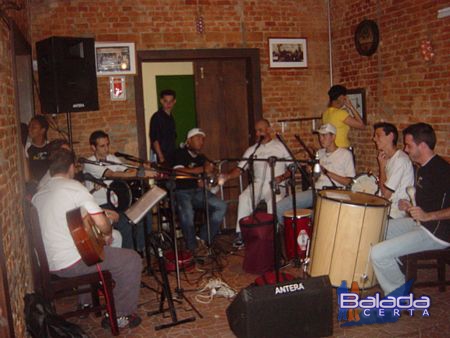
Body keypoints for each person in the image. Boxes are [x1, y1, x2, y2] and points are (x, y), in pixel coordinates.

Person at [32, 148, 142, 329]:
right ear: (71, 168)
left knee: (91, 249)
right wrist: (106, 232)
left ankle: (86, 302)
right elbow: (102, 224)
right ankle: (121, 315)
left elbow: (71, 220)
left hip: (48, 263)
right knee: (131, 260)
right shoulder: (74, 187)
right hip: (72, 263)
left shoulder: (40, 193)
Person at [371, 123, 450, 295]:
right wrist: (409, 206)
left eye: (409, 145)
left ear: (422, 146)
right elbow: (426, 204)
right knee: (374, 230)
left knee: (377, 253)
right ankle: (394, 275)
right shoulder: (422, 169)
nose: (405, 150)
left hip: (437, 233)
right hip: (421, 224)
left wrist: (429, 216)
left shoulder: (443, 171)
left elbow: (432, 212)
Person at [219, 119, 291, 247]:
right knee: (244, 197)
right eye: (256, 131)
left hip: (276, 184)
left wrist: (281, 177)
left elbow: (292, 168)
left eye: (260, 130)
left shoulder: (281, 147)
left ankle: (271, 235)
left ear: (268, 130)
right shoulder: (252, 149)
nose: (257, 134)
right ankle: (241, 234)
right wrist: (227, 176)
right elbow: (240, 168)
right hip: (258, 184)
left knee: (274, 200)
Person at [83, 130, 155, 251]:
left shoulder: (112, 158)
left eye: (107, 144)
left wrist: (141, 171)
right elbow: (112, 174)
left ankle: (142, 250)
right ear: (93, 147)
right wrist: (140, 173)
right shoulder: (89, 163)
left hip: (118, 201)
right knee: (125, 222)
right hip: (102, 204)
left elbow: (127, 171)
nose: (106, 149)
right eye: (102, 146)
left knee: (143, 213)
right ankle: (128, 256)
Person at [276, 123, 355, 226]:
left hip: (334, 193)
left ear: (333, 137)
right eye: (320, 136)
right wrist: (311, 172)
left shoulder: (345, 154)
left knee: (318, 217)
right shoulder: (319, 153)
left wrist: (327, 172)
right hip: (315, 191)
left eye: (324, 135)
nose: (320, 139)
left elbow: (349, 182)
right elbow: (315, 178)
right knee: (280, 206)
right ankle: (289, 234)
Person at [173, 128, 227, 256]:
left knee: (221, 206)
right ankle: (192, 247)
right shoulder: (179, 154)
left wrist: (209, 178)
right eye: (197, 138)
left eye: (202, 139)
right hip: (182, 191)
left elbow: (208, 175)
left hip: (198, 192)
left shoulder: (202, 158)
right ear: (189, 141)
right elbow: (179, 171)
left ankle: (202, 240)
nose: (201, 141)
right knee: (187, 214)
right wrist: (202, 169)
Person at [372, 122, 414, 218]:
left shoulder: (400, 160)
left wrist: (381, 167)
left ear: (391, 136)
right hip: (386, 210)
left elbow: (386, 194)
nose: (374, 139)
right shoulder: (390, 158)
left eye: (378, 135)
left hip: (394, 214)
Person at [149, 89, 177, 167]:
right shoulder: (157, 117)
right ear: (161, 101)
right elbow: (155, 139)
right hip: (161, 157)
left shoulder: (171, 118)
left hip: (171, 156)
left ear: (174, 101)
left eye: (170, 101)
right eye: (165, 101)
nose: (168, 104)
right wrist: (161, 158)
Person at [25, 115, 51, 183]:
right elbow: (27, 170)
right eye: (29, 126)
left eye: (33, 127)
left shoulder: (50, 147)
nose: (29, 129)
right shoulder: (27, 148)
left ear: (42, 130)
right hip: (34, 185)